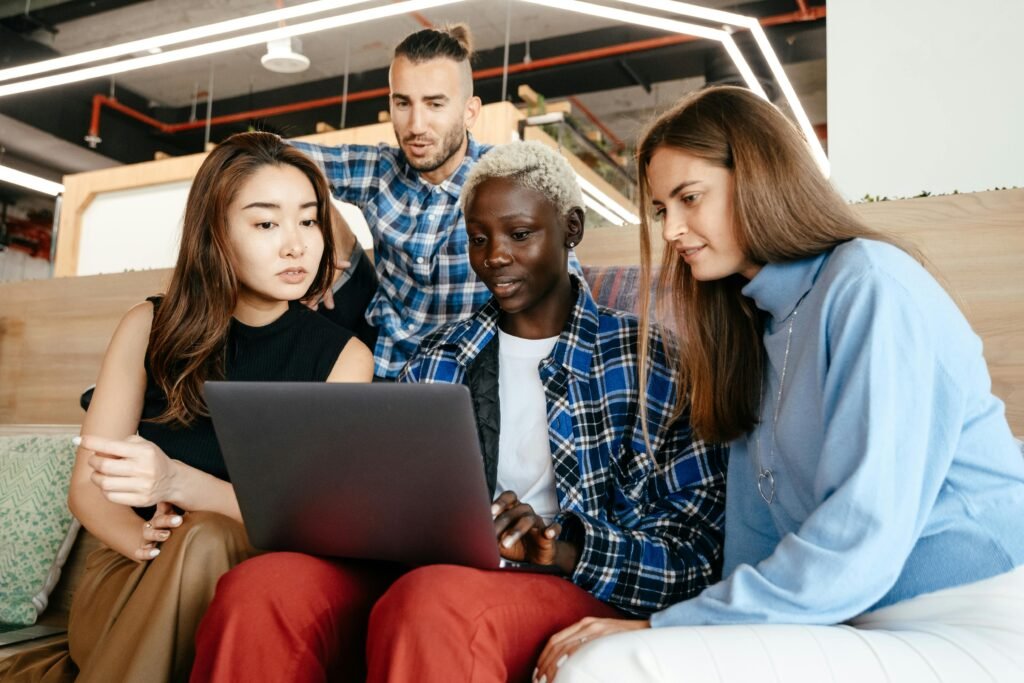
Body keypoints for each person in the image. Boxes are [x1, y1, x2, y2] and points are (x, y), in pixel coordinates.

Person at [535, 86, 1024, 683]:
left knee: (611, 664)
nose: (672, 231)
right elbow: (754, 540)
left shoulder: (870, 284)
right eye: (663, 210)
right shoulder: (754, 326)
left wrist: (668, 629)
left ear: (760, 178)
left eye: (691, 198)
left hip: (967, 616)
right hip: (846, 619)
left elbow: (860, 539)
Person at [190, 141, 727, 683]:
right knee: (262, 589)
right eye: (478, 238)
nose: (494, 256)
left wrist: (563, 546)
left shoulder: (649, 361)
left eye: (520, 234)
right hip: (424, 573)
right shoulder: (440, 355)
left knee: (433, 602)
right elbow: (381, 496)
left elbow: (696, 556)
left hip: (563, 584)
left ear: (571, 229)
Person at [0, 132, 373, 683]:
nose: (295, 245)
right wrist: (141, 544)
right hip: (131, 569)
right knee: (194, 541)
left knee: (207, 537)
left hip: (253, 581)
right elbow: (87, 488)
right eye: (266, 224)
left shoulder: (345, 357)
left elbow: (310, 521)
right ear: (217, 232)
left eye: (309, 221)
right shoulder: (147, 327)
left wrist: (176, 482)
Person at [293, 24, 579, 380]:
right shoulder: (379, 169)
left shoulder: (507, 181)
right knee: (290, 177)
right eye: (403, 103)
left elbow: (565, 286)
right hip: (386, 366)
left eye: (435, 104)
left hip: (472, 374)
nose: (415, 125)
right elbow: (262, 152)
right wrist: (314, 246)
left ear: (470, 111)